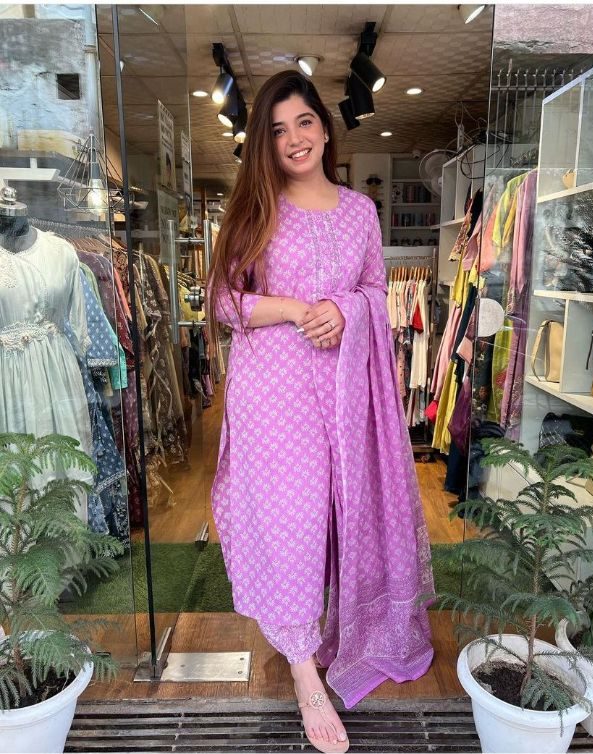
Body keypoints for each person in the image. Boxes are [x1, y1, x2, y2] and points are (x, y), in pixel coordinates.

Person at [208, 70, 434, 754]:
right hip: (274, 397)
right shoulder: (257, 209)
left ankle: (338, 630)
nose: (294, 139)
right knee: (296, 523)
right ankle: (305, 672)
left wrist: (344, 308)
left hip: (345, 392)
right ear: (265, 143)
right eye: (278, 130)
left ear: (324, 129)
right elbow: (223, 301)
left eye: (303, 122)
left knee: (345, 518)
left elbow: (375, 290)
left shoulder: (360, 212)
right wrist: (290, 309)